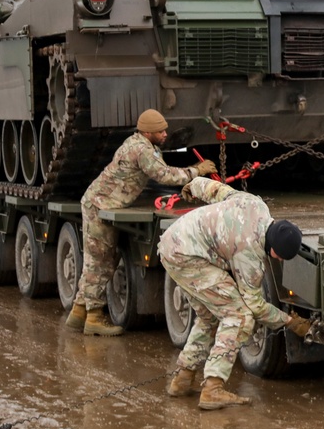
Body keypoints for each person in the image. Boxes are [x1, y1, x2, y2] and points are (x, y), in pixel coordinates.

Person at [158, 177, 313, 410]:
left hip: (174, 242)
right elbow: (255, 306)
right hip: (187, 257)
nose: (277, 260)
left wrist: (193, 186)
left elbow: (218, 189)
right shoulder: (249, 255)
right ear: (274, 249)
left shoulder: (256, 205)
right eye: (279, 256)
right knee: (239, 315)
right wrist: (290, 322)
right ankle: (213, 388)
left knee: (210, 316)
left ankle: (182, 379)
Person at [64, 109, 216, 336]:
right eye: (160, 131)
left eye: (164, 129)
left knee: (102, 259)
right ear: (147, 132)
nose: (165, 134)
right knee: (100, 262)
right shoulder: (141, 149)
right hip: (100, 205)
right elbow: (165, 176)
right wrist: (197, 170)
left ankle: (78, 312)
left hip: (101, 203)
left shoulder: (141, 144)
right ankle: (93, 317)